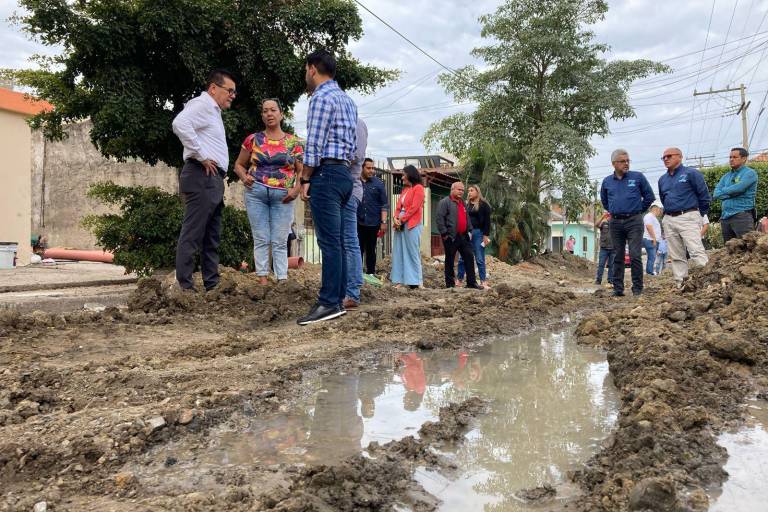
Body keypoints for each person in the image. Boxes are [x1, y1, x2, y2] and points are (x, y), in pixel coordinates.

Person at [296, 50, 358, 325]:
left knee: (329, 242)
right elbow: (354, 146)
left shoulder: (320, 97)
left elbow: (314, 144)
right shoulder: (347, 100)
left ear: (312, 69)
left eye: (305, 70)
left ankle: (329, 302)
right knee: (341, 242)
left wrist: (306, 178)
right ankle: (339, 299)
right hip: (344, 174)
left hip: (328, 174)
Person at [172, 68, 236, 292]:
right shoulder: (202, 104)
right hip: (202, 174)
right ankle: (185, 287)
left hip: (212, 178)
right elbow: (180, 124)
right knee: (193, 232)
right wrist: (201, 155)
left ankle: (212, 284)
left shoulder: (213, 112)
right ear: (213, 88)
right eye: (229, 90)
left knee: (211, 235)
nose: (232, 95)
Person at [234, 99, 303, 285]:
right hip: (256, 193)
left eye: (273, 110)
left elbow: (301, 171)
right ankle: (262, 278)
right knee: (261, 237)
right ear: (262, 115)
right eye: (265, 111)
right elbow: (239, 165)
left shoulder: (293, 142)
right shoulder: (252, 140)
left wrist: (296, 190)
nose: (269, 114)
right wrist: (243, 176)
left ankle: (282, 279)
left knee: (280, 240)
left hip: (284, 197)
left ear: (281, 114)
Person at [600, 149, 655, 297]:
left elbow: (649, 197)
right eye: (622, 161)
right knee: (617, 255)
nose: (626, 164)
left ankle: (637, 288)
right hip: (615, 222)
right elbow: (605, 202)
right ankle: (618, 289)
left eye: (628, 161)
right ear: (614, 164)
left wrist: (637, 210)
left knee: (635, 254)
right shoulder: (607, 182)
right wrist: (615, 210)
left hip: (634, 221)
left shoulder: (638, 177)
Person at [658, 147, 711, 287]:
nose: (666, 159)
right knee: (676, 255)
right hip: (669, 218)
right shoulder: (662, 179)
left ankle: (709, 282)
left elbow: (704, 196)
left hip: (688, 216)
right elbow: (664, 199)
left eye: (669, 156)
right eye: (663, 157)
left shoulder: (691, 173)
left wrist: (700, 214)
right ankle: (681, 283)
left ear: (680, 157)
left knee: (696, 250)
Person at [342, 118, 368, 309]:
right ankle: (347, 290)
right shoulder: (348, 122)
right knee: (342, 242)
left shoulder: (355, 123)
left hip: (348, 190)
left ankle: (352, 292)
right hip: (345, 189)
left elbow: (355, 156)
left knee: (349, 241)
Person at [436, 181, 482, 290]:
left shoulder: (462, 202)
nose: (461, 192)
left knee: (469, 258)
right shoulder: (444, 202)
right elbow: (439, 219)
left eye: (462, 190)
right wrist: (445, 234)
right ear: (452, 190)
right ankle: (450, 284)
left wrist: (470, 230)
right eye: (459, 189)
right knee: (450, 261)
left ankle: (471, 283)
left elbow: (467, 218)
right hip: (451, 237)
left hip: (464, 236)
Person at [713, 147, 759, 243]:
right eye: (730, 157)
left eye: (735, 157)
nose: (731, 159)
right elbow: (716, 194)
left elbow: (739, 188)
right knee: (729, 250)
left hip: (742, 216)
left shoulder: (750, 173)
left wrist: (725, 191)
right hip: (725, 217)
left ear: (744, 158)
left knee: (747, 247)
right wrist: (731, 193)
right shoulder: (726, 176)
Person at [390, 165, 425, 289]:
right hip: (400, 222)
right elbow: (399, 207)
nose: (402, 177)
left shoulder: (419, 188)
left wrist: (401, 219)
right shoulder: (405, 190)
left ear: (410, 175)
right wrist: (395, 217)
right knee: (399, 251)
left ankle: (417, 281)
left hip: (412, 223)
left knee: (412, 252)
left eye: (404, 174)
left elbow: (414, 208)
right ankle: (400, 280)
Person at [457, 185, 492, 289]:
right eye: (468, 191)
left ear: (477, 191)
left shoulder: (484, 205)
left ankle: (483, 281)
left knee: (479, 258)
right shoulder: (466, 204)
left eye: (472, 190)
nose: (469, 192)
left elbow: (487, 222)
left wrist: (485, 236)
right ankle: (459, 280)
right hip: (466, 233)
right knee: (462, 258)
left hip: (478, 233)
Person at [358, 158, 389, 275]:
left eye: (373, 168)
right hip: (358, 221)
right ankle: (357, 273)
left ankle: (371, 273)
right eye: (368, 168)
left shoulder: (379, 184)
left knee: (371, 249)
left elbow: (384, 204)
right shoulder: (356, 182)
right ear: (362, 168)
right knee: (357, 249)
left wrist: (384, 222)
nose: (372, 171)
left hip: (373, 222)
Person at [594, 212, 615, 285]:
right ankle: (598, 280)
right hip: (604, 248)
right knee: (601, 264)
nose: (609, 218)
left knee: (612, 266)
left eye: (611, 216)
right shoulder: (603, 224)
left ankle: (610, 280)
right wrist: (602, 217)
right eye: (608, 216)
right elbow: (596, 225)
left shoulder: (615, 225)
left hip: (613, 248)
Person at [642, 202, 662, 276]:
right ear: (656, 209)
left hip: (653, 239)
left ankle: (649, 271)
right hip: (650, 239)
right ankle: (650, 272)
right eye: (659, 210)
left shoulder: (653, 217)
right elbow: (649, 227)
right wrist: (654, 239)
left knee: (652, 257)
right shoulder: (649, 216)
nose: (660, 212)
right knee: (652, 257)